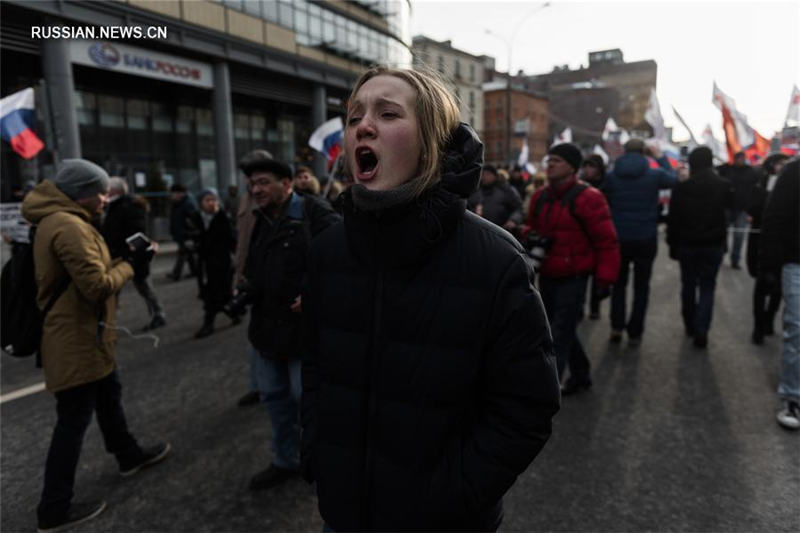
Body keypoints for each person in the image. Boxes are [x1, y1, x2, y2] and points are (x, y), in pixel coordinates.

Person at [301, 66, 560, 532]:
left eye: (388, 113)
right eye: (355, 114)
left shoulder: (495, 261)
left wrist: (456, 494)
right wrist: (318, 453)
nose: (363, 124)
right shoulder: (328, 250)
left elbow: (527, 407)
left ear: (431, 141)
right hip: (343, 515)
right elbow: (319, 367)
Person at [21, 159, 170, 533]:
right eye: (101, 191)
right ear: (83, 194)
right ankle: (53, 508)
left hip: (86, 335)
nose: (106, 198)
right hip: (76, 339)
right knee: (72, 421)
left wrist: (123, 258)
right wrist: (132, 264)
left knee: (109, 395)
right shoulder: (68, 226)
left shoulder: (62, 219)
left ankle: (128, 454)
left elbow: (87, 274)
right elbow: (97, 286)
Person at [237, 157, 340, 491]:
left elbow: (346, 259)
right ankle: (285, 461)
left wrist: (316, 294)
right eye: (253, 184)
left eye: (264, 182)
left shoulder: (314, 212)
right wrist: (246, 288)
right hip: (267, 334)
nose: (256, 190)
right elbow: (256, 266)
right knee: (274, 400)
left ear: (287, 183)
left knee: (307, 402)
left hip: (303, 336)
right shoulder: (261, 218)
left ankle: (327, 463)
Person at [524, 142, 619, 395]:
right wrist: (526, 235)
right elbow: (531, 227)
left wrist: (605, 279)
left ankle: (545, 395)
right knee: (559, 328)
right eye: (549, 160)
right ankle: (581, 375)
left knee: (557, 333)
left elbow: (606, 241)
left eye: (557, 160)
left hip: (575, 277)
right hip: (548, 273)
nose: (550, 164)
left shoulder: (590, 198)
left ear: (573, 167)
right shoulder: (540, 196)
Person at [602, 138, 677, 344]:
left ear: (624, 151)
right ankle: (635, 330)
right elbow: (674, 179)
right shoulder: (654, 175)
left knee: (619, 285)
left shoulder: (612, 176)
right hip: (645, 236)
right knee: (641, 286)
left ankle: (616, 327)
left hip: (619, 237)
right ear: (645, 152)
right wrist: (660, 158)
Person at [667, 146, 733, 348]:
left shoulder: (682, 187)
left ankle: (690, 323)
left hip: (687, 243)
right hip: (712, 244)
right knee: (707, 286)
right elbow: (729, 214)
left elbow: (674, 219)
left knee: (688, 284)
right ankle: (702, 327)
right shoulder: (723, 185)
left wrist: (672, 244)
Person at [760, 157, 800, 429]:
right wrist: (771, 264)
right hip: (796, 263)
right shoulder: (794, 172)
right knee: (797, 329)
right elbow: (773, 216)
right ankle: (792, 396)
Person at [233, 150, 272, 408]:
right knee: (255, 336)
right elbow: (242, 241)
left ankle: (267, 387)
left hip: (268, 277)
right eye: (249, 176)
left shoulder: (271, 198)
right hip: (247, 273)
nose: (253, 183)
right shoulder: (245, 199)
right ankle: (258, 386)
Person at [102, 177, 166, 332]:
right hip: (119, 255)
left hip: (129, 256)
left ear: (115, 191)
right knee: (115, 290)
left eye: (107, 189)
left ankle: (157, 315)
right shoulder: (114, 206)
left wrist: (137, 258)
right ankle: (107, 321)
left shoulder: (128, 207)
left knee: (143, 287)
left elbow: (137, 234)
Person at [746, 153, 789, 344]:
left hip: (783, 244)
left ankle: (769, 320)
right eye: (779, 163)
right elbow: (753, 207)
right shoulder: (760, 184)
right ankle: (758, 326)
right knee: (761, 286)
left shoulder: (791, 184)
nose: (781, 167)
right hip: (762, 241)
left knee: (778, 288)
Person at [191, 188, 237, 339]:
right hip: (205, 263)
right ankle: (233, 314)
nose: (211, 203)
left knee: (216, 294)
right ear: (201, 203)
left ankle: (209, 323)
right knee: (214, 294)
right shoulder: (196, 218)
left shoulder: (223, 217)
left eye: (214, 200)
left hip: (222, 263)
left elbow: (232, 240)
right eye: (207, 200)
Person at [718, 151, 760, 269]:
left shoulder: (750, 172)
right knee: (722, 233)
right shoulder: (727, 169)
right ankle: (721, 255)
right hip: (727, 207)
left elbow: (756, 187)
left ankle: (735, 260)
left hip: (742, 209)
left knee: (739, 236)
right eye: (738, 158)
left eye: (742, 158)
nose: (741, 160)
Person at [579, 154, 607, 320]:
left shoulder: (607, 184)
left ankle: (595, 307)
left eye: (592, 166)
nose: (588, 169)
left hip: (598, 234)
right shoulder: (579, 184)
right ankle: (580, 306)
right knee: (581, 274)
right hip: (582, 235)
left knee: (597, 275)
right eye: (586, 166)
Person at [467, 164, 524, 234]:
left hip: (501, 232)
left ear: (495, 176)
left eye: (487, 174)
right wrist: (475, 211)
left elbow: (518, 208)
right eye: (483, 174)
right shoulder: (476, 191)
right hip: (478, 232)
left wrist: (513, 220)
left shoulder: (506, 190)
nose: (484, 177)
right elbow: (467, 208)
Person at [167, 183, 198, 281]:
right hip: (180, 232)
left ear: (180, 193)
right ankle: (195, 271)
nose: (172, 195)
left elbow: (194, 219)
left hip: (186, 233)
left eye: (173, 193)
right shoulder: (178, 203)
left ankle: (176, 274)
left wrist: (191, 232)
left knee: (182, 253)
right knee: (188, 254)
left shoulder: (188, 203)